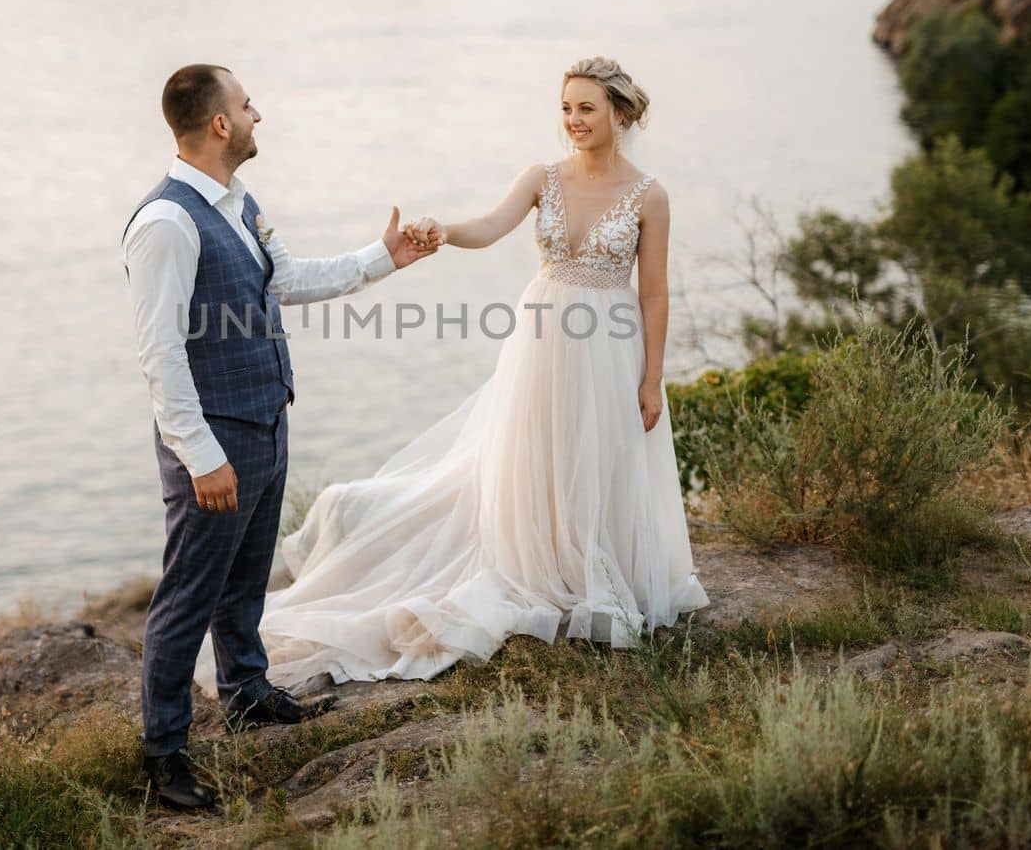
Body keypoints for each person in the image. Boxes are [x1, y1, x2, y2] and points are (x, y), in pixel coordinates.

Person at [227, 56, 709, 697]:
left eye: (587, 109)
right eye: (566, 108)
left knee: (604, 453)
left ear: (619, 114)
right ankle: (542, 562)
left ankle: (597, 567)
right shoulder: (543, 176)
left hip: (611, 342)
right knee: (539, 452)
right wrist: (443, 231)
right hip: (543, 338)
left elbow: (654, 294)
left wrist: (652, 379)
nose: (573, 121)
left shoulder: (650, 195)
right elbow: (490, 225)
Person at [121, 64, 439, 811]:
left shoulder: (238, 203)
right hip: (215, 438)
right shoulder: (165, 224)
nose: (259, 113)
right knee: (187, 597)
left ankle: (245, 693)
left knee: (245, 579)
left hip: (266, 416)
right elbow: (159, 354)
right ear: (220, 125)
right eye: (246, 104)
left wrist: (382, 259)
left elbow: (285, 280)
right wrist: (202, 456)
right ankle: (163, 754)